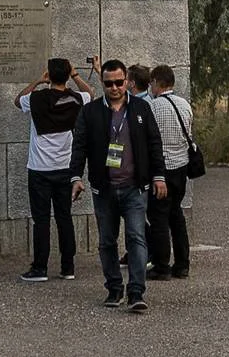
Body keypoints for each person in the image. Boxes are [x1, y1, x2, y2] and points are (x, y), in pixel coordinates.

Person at [70, 58, 166, 313]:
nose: (114, 88)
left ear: (127, 82)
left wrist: (159, 176)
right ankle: (114, 288)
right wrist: (76, 178)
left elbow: (154, 143)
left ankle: (136, 292)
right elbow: (79, 146)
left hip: (134, 187)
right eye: (109, 83)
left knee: (136, 238)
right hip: (104, 189)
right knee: (107, 241)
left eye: (119, 82)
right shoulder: (90, 112)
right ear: (102, 83)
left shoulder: (141, 109)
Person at [16, 57, 92, 283]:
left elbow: (18, 100)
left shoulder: (37, 98)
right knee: (64, 218)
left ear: (49, 74)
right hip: (66, 168)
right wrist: (76, 76)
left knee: (41, 220)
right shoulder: (77, 98)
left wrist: (38, 81)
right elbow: (92, 94)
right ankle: (68, 267)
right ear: (68, 75)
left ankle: (40, 268)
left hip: (40, 169)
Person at [144, 64, 193, 280]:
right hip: (181, 168)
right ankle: (182, 264)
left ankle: (161, 265)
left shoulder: (154, 107)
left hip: (162, 170)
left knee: (158, 218)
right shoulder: (185, 105)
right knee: (176, 215)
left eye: (151, 83)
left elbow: (149, 139)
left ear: (156, 82)